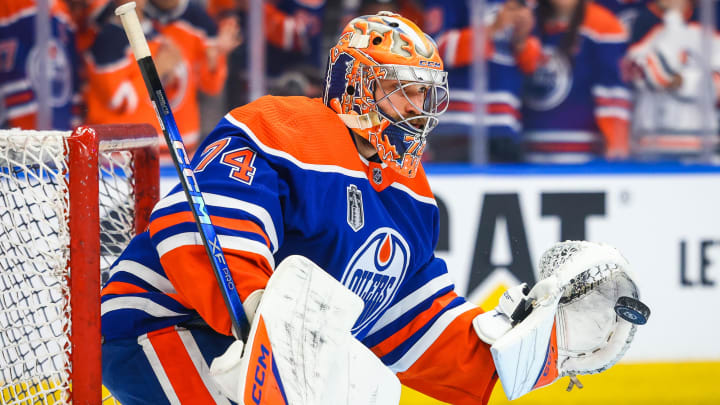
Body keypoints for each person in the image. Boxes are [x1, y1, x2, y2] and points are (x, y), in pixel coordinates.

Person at [100, 11, 633, 404]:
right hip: (162, 326)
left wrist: (535, 343)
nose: (418, 110)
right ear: (356, 85)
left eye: (425, 96)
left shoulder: (411, 193)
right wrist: (267, 321)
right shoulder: (282, 127)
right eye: (403, 90)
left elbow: (415, 326)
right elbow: (193, 231)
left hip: (262, 362)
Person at [423, 0, 541, 162]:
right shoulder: (449, 3)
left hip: (504, 128)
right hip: (453, 128)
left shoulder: (524, 4)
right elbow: (432, 51)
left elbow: (532, 66)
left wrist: (521, 42)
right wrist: (492, 29)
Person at [521, 0, 631, 163]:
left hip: (583, 153)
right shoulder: (527, 20)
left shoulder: (603, 25)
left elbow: (613, 92)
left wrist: (615, 141)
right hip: (526, 150)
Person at [622, 0, 720, 161]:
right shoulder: (642, 26)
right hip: (651, 145)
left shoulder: (712, 35)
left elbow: (716, 88)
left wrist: (684, 81)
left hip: (704, 146)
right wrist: (673, 19)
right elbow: (653, 75)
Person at [0, 0, 80, 130]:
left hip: (61, 130)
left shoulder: (62, 12)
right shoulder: (9, 6)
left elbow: (72, 75)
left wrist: (75, 123)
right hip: (17, 133)